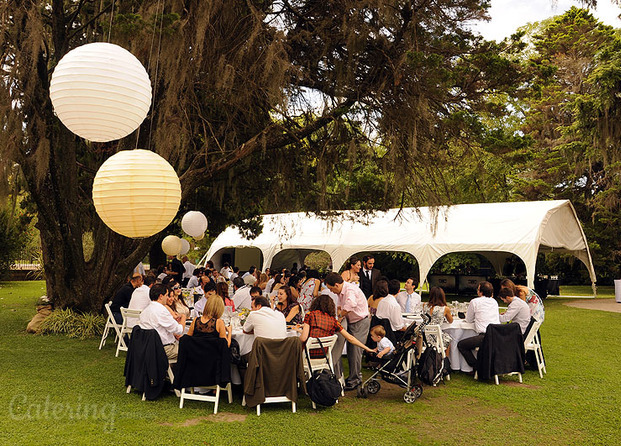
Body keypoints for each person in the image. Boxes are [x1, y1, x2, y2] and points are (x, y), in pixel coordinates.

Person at [325, 272, 370, 391]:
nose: (331, 291)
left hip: (360, 321)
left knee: (355, 350)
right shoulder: (341, 291)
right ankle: (345, 377)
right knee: (342, 345)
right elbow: (340, 306)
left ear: (336, 285)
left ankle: (355, 380)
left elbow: (351, 305)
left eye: (330, 288)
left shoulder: (350, 290)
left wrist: (340, 315)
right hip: (350, 321)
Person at [298, 294, 374, 359]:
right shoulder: (333, 321)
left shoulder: (310, 315)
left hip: (308, 352)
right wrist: (366, 348)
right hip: (324, 354)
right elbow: (350, 338)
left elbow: (303, 338)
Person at [457, 281, 500, 370]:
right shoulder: (494, 302)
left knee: (461, 345)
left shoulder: (475, 301)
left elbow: (469, 320)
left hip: (485, 337)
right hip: (497, 335)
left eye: (478, 289)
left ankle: (477, 366)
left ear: (480, 292)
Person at [138, 284, 184, 360]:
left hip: (147, 348)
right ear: (160, 296)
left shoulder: (145, 311)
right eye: (166, 295)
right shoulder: (161, 311)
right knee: (192, 350)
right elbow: (179, 330)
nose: (167, 298)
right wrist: (183, 317)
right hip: (164, 349)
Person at [424, 286, 453, 355]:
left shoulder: (424, 305)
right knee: (448, 340)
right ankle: (445, 360)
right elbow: (451, 321)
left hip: (425, 337)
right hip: (436, 337)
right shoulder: (445, 309)